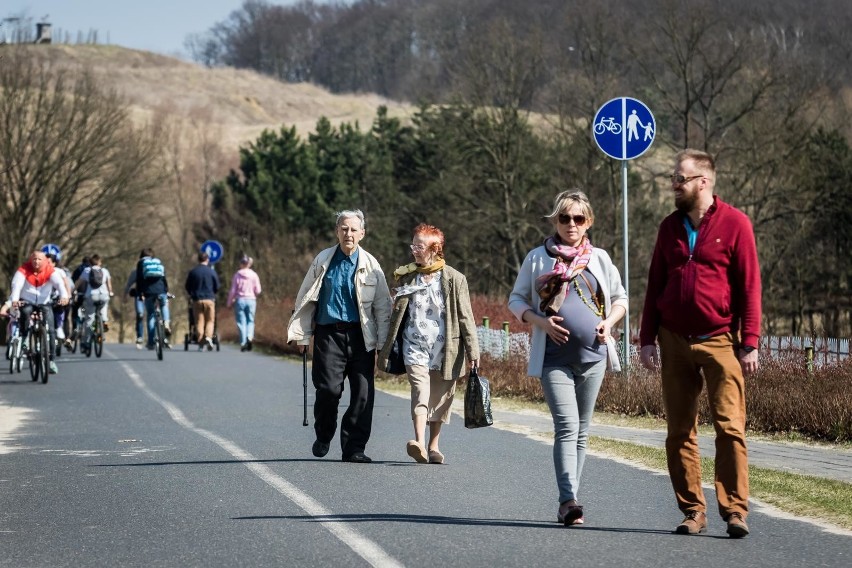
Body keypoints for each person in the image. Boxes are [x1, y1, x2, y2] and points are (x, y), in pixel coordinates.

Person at [639, 149, 761, 539]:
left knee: (730, 428)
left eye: (681, 178)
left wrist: (751, 341)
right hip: (673, 340)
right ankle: (693, 511)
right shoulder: (668, 227)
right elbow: (655, 283)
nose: (675, 185)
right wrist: (646, 338)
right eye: (674, 178)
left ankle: (735, 511)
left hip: (721, 339)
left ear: (703, 182)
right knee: (679, 431)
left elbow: (749, 286)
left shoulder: (736, 224)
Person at [508, 190, 628, 527]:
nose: (571, 224)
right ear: (555, 221)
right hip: (554, 359)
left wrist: (609, 322)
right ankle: (568, 500)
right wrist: (541, 322)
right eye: (564, 218)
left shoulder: (599, 258)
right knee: (567, 426)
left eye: (578, 218)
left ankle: (570, 498)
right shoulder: (537, 258)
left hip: (594, 357)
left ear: (588, 221)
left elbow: (620, 298)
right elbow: (516, 300)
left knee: (582, 431)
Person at [287, 209, 392, 464]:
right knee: (328, 390)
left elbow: (382, 306)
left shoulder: (371, 265)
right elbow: (305, 298)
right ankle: (324, 434)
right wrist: (301, 335)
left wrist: (384, 343)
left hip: (361, 336)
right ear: (337, 231)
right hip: (328, 336)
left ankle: (354, 447)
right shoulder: (323, 260)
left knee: (363, 394)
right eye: (344, 228)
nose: (349, 233)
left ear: (362, 234)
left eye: (354, 229)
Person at [377, 224, 480, 465]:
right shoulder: (407, 276)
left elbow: (466, 316)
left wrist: (473, 352)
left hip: (446, 349)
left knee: (441, 397)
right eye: (413, 245)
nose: (414, 250)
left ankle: (434, 446)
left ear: (435, 249)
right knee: (420, 391)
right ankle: (419, 443)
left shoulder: (455, 279)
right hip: (414, 346)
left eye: (419, 246)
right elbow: (396, 313)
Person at [9, 251, 70, 374]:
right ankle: (25, 337)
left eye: (39, 259)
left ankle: (51, 360)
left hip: (44, 303)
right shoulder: (23, 269)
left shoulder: (50, 270)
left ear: (45, 261)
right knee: (25, 313)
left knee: (51, 330)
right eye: (34, 259)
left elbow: (59, 284)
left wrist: (64, 296)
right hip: (27, 301)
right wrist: (15, 299)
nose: (36, 262)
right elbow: (17, 284)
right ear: (31, 260)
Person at [75, 254, 114, 353]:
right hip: (104, 295)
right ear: (100, 262)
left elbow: (78, 283)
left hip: (91, 296)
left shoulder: (87, 270)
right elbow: (109, 284)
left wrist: (72, 291)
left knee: (89, 319)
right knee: (103, 309)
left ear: (90, 263)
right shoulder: (105, 271)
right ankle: (104, 322)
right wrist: (110, 292)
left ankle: (87, 341)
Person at [135, 248, 171, 350]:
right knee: (164, 305)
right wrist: (166, 290)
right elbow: (163, 277)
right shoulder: (158, 262)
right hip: (161, 290)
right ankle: (166, 322)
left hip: (149, 292)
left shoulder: (141, 263)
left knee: (151, 315)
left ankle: (151, 342)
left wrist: (140, 293)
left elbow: (139, 279)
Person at [185, 251, 220, 351]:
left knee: (199, 321)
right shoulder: (212, 272)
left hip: (197, 299)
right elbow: (217, 286)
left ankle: (200, 341)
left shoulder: (193, 272)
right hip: (209, 299)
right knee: (210, 320)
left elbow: (187, 286)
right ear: (207, 259)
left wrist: (192, 294)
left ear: (198, 259)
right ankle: (208, 337)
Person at [226, 255, 262, 352]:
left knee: (241, 322)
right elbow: (258, 290)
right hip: (251, 300)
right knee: (250, 320)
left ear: (241, 264)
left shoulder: (237, 275)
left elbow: (233, 290)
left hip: (240, 300)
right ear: (248, 264)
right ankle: (249, 338)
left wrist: (229, 302)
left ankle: (243, 343)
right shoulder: (254, 275)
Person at [124, 267, 145, 349]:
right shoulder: (157, 269)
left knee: (140, 316)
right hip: (150, 295)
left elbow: (129, 284)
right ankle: (146, 337)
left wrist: (125, 295)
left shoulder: (136, 271)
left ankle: (140, 337)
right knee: (149, 316)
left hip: (140, 295)